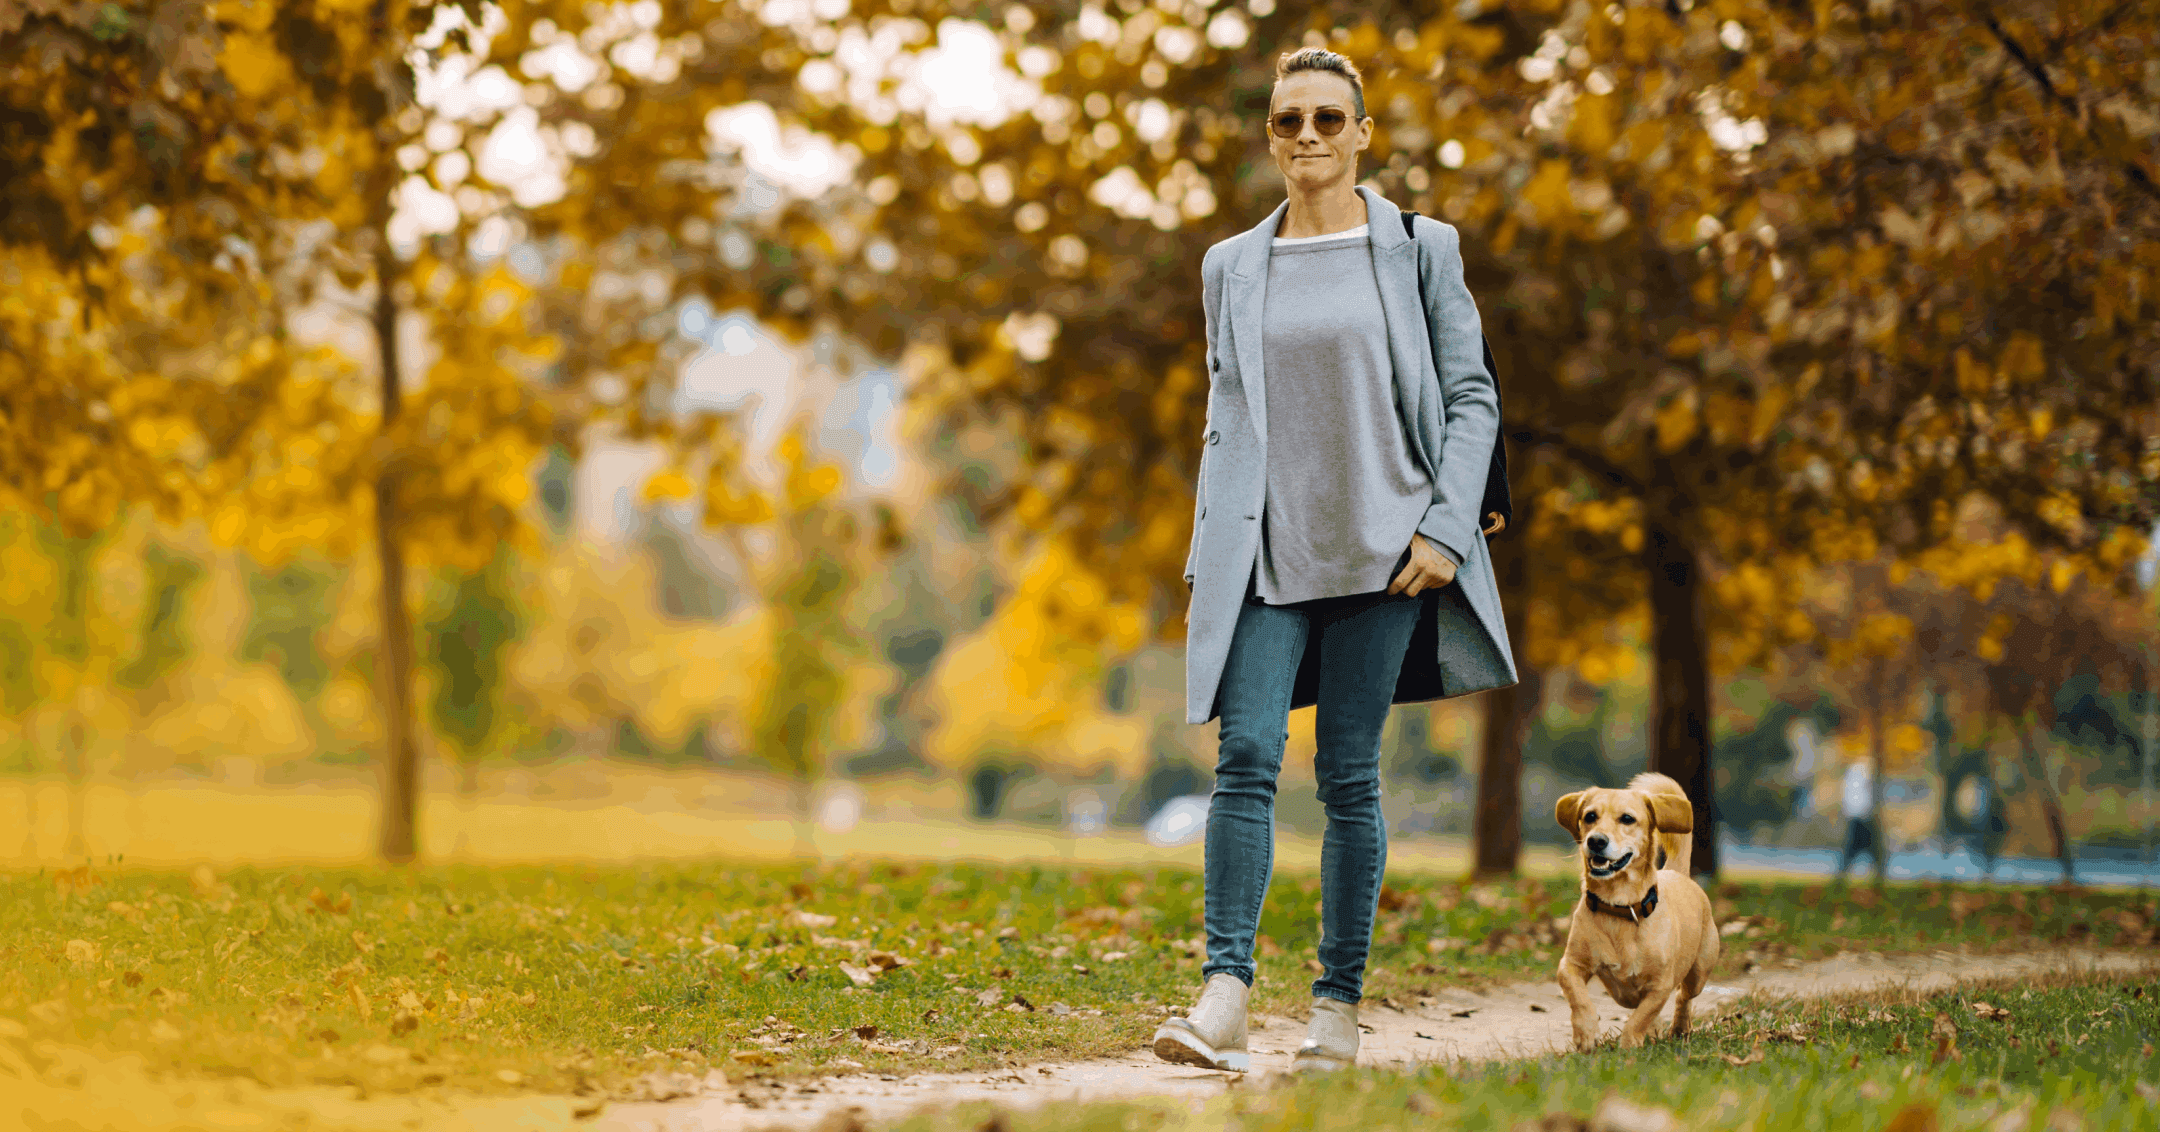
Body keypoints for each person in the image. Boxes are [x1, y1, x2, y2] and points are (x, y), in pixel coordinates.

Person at [1161, 47, 1516, 1076]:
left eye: (1327, 119)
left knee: (1350, 778)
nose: (1307, 137)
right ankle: (1224, 994)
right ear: (1270, 138)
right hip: (1266, 557)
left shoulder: (1418, 249)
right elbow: (1227, 420)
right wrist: (1209, 549)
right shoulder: (1230, 264)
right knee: (1246, 757)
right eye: (1288, 122)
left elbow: (1472, 396)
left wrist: (1447, 528)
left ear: (1363, 135)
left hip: (1385, 557)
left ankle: (1336, 1011)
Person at [1834, 758, 1876, 878]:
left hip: (1857, 816)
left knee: (1852, 851)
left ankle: (1842, 876)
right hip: (1862, 817)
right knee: (1855, 850)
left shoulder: (1852, 773)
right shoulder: (1861, 771)